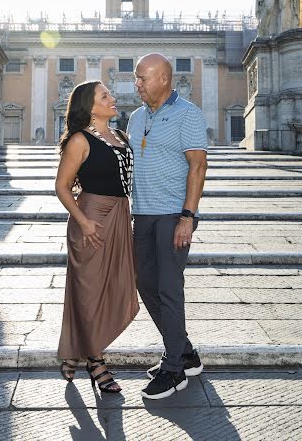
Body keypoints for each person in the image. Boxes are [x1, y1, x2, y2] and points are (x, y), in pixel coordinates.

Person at [127, 53, 208, 400]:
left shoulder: (188, 113)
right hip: (142, 215)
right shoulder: (135, 117)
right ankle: (186, 352)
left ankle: (175, 370)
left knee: (169, 290)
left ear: (163, 79)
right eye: (136, 77)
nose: (138, 84)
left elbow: (198, 167)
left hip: (173, 215)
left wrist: (187, 217)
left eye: (143, 78)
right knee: (145, 283)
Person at [55, 80, 139, 393]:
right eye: (105, 96)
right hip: (90, 218)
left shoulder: (121, 136)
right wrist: (84, 222)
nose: (113, 98)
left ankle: (75, 352)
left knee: (114, 287)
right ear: (90, 106)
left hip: (119, 216)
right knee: (88, 291)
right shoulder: (79, 140)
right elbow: (62, 186)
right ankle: (95, 360)